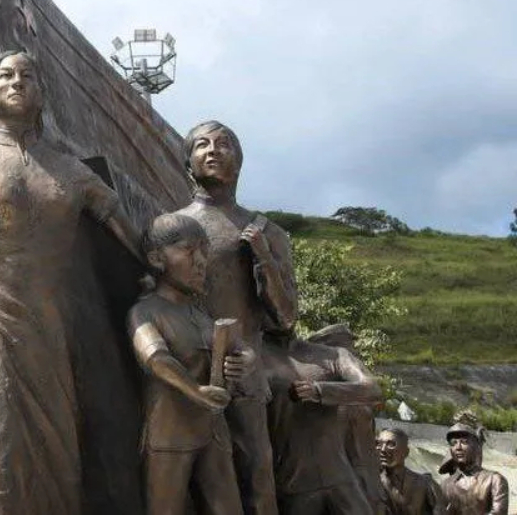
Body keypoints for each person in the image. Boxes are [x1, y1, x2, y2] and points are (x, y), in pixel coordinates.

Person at [0, 49, 154, 514]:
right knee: (0, 441)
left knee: (61, 444)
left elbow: (127, 232)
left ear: (41, 93)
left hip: (56, 326)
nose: (17, 81)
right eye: (5, 75)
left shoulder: (72, 172)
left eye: (27, 75)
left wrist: (156, 276)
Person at [174, 121, 298, 515]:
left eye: (223, 144)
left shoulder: (269, 232)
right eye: (202, 145)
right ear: (188, 162)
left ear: (239, 161)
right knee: (185, 480)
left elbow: (286, 318)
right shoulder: (171, 227)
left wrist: (262, 257)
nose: (213, 151)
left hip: (244, 371)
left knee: (256, 477)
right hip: (185, 370)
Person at [128, 212, 250, 515]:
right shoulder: (146, 312)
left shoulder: (202, 315)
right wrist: (197, 392)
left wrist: (244, 361)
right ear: (157, 258)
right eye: (189, 250)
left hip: (213, 434)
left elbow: (242, 349)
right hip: (170, 436)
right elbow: (156, 359)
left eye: (204, 251)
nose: (201, 261)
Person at [263, 331, 383, 515]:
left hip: (339, 476)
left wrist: (320, 390)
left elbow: (371, 389)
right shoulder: (254, 356)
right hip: (293, 481)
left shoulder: (335, 355)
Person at [438, 411, 509, 515]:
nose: (458, 447)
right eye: (453, 443)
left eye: (464, 442)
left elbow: (498, 513)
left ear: (477, 446)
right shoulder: (445, 486)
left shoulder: (494, 480)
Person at [376, 428, 446, 515]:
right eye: (378, 444)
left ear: (406, 452)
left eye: (391, 444)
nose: (382, 449)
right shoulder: (370, 483)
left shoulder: (425, 483)